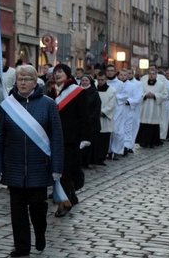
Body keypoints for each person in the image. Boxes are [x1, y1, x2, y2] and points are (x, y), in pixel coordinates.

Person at [0, 65, 63, 257]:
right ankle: (22, 246)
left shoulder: (48, 104)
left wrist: (57, 167)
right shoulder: (8, 105)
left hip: (39, 167)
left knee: (38, 207)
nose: (23, 83)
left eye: (27, 79)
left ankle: (40, 233)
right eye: (20, 79)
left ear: (35, 82)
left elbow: (56, 137)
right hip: (14, 166)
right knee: (17, 210)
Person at [46, 64, 90, 217]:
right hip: (54, 137)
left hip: (71, 138)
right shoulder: (52, 91)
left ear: (67, 74)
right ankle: (71, 196)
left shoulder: (77, 91)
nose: (57, 74)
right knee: (59, 170)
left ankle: (63, 204)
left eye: (61, 71)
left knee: (64, 171)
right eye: (55, 72)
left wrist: (85, 137)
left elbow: (84, 116)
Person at [137, 69, 167, 148]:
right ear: (148, 75)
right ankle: (143, 142)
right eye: (150, 74)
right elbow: (138, 93)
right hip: (145, 107)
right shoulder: (142, 84)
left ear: (156, 75)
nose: (151, 75)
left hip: (155, 108)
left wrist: (155, 95)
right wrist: (144, 95)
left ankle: (153, 142)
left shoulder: (161, 84)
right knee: (144, 124)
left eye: (153, 74)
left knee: (154, 125)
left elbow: (164, 95)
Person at [95, 70, 117, 165]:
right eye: (99, 79)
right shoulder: (94, 89)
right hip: (95, 118)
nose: (100, 82)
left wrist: (103, 112)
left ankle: (102, 157)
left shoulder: (112, 90)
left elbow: (112, 105)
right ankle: (94, 158)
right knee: (95, 139)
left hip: (105, 118)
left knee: (104, 139)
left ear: (106, 79)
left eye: (102, 80)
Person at [79, 74, 101, 168]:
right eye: (83, 80)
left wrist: (90, 118)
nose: (84, 82)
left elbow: (97, 107)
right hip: (80, 122)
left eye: (86, 80)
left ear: (90, 82)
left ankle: (89, 161)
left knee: (90, 143)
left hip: (92, 122)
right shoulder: (77, 91)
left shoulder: (94, 92)